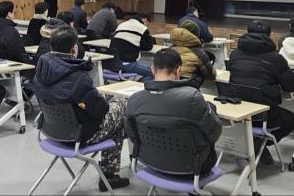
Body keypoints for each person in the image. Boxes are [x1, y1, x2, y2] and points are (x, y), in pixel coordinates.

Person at [33, 26, 129, 191]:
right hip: (79, 135)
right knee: (119, 106)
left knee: (115, 114)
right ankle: (109, 174)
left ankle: (110, 172)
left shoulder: (40, 72)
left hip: (51, 130)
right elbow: (101, 110)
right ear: (74, 49)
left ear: (51, 47)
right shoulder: (79, 78)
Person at [125, 48, 222, 174]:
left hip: (149, 161)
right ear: (178, 70)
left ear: (153, 69)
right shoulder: (192, 98)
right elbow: (215, 133)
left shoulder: (134, 100)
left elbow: (132, 135)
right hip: (193, 165)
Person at [229, 20, 294, 165]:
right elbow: (291, 86)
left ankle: (256, 143)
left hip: (237, 109)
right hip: (265, 114)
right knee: (292, 120)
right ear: (269, 35)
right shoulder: (275, 58)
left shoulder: (235, 54)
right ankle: (258, 143)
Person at [105, 12, 154, 81]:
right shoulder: (142, 28)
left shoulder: (122, 24)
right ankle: (141, 87)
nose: (147, 26)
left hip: (111, 64)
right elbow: (148, 46)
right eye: (147, 24)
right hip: (126, 64)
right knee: (155, 72)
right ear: (145, 19)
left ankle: (138, 85)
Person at [170, 22, 216, 88]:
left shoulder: (167, 50)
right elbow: (211, 76)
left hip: (168, 87)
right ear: (196, 35)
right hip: (187, 89)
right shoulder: (199, 53)